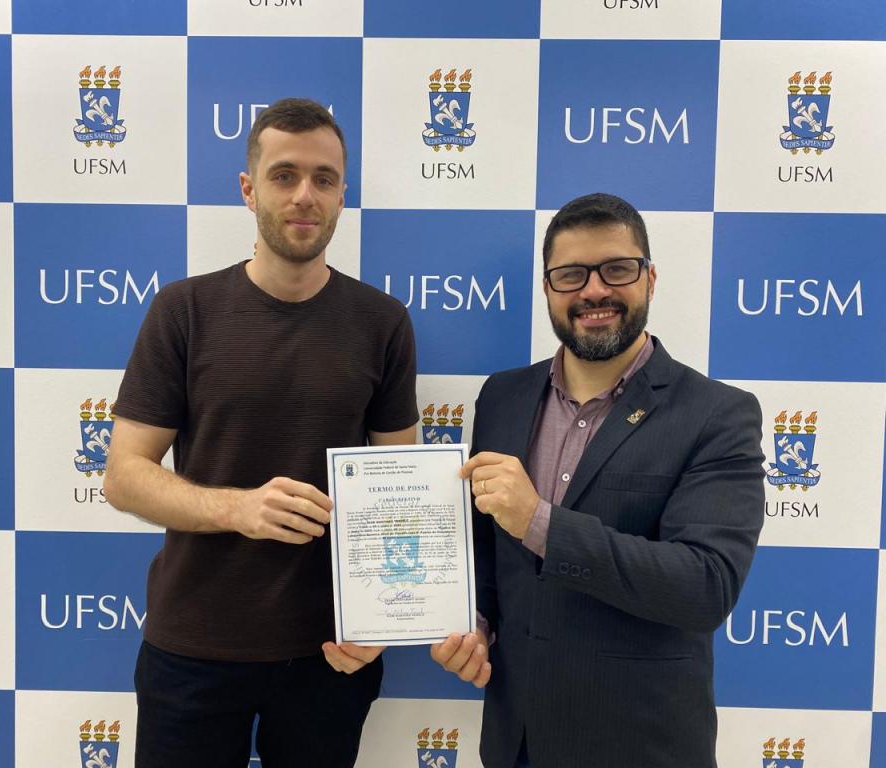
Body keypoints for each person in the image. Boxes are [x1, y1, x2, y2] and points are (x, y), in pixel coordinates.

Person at [104, 98, 418, 768]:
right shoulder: (183, 311)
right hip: (192, 645)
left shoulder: (383, 322)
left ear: (342, 195)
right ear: (249, 190)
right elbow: (124, 477)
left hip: (330, 650)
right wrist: (238, 508)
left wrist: (387, 617)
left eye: (324, 179)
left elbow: (402, 495)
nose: (305, 195)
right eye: (284, 175)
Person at [430, 193, 765, 768]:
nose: (593, 291)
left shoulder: (718, 414)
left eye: (616, 269)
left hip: (642, 745)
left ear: (650, 278)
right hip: (517, 740)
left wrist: (540, 522)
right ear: (547, 289)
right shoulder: (503, 396)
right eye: (571, 275)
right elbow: (486, 550)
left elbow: (706, 585)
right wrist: (474, 624)